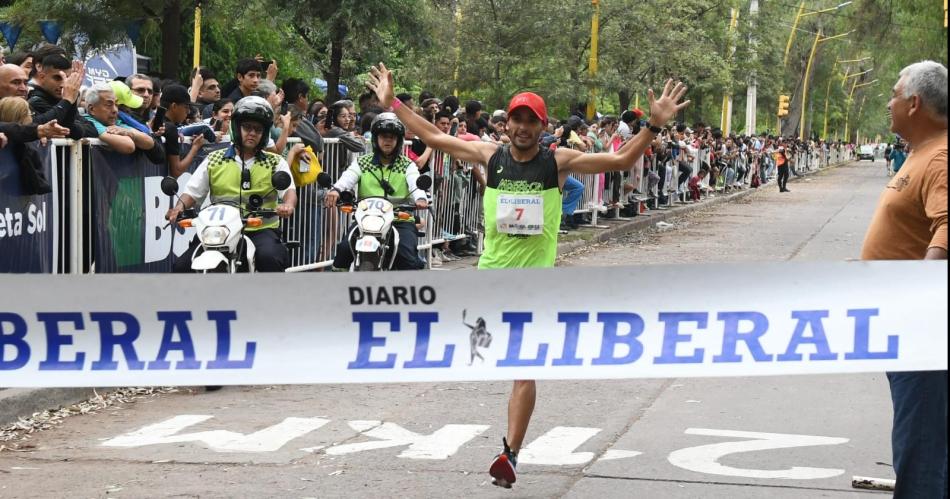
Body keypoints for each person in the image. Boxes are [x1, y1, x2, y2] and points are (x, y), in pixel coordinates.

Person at [365, 62, 688, 489]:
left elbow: (622, 158)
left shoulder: (558, 162)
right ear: (507, 123)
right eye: (515, 118)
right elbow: (434, 136)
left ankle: (510, 453)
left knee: (522, 368)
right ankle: (476, 341)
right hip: (488, 280)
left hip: (535, 288)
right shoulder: (489, 156)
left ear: (542, 126)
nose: (521, 127)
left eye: (530, 121)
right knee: (468, 347)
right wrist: (395, 105)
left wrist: (652, 125)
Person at [861, 60, 947, 499]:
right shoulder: (921, 152)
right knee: (917, 438)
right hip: (903, 323)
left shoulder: (942, 156)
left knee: (922, 446)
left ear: (914, 103)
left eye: (894, 93)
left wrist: (921, 294)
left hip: (924, 330)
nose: (888, 101)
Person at [165, 96, 297, 272]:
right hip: (219, 230)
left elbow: (289, 191)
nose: (252, 133)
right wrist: (178, 208)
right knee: (182, 266)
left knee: (270, 258)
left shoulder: (275, 162)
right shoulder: (214, 159)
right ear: (236, 127)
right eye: (247, 127)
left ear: (264, 133)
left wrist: (287, 205)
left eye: (258, 129)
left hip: (259, 228)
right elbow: (193, 192)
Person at [323, 112, 428, 271]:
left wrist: (421, 199)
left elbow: (415, 183)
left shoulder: (407, 165)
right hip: (366, 219)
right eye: (383, 136)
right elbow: (348, 177)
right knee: (344, 250)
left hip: (400, 219)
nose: (387, 140)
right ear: (375, 139)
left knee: (407, 256)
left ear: (398, 140)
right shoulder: (362, 162)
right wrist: (336, 190)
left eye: (392, 137)